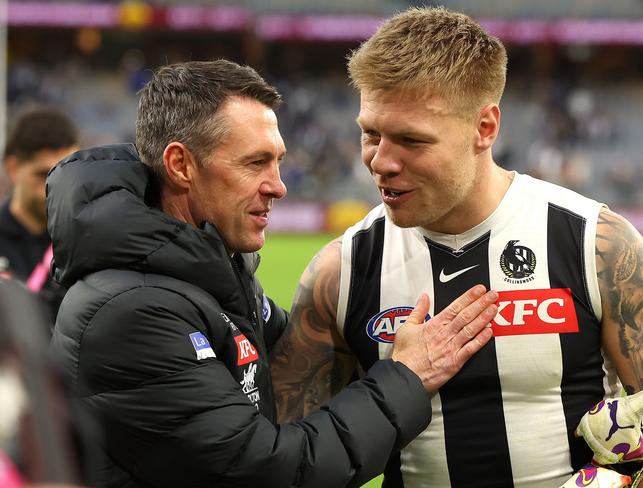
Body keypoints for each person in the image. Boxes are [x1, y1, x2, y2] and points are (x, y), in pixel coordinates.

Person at [46, 59, 499, 488]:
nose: (278, 185)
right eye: (255, 163)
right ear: (181, 165)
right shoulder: (131, 313)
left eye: (278, 161)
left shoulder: (209, 271)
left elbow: (295, 355)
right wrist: (407, 376)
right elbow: (274, 473)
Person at [269, 6, 643, 488]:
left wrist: (628, 480)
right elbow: (290, 462)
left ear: (484, 128)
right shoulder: (339, 273)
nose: (380, 162)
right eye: (370, 133)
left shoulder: (595, 245)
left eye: (411, 139)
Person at [0, 107, 79, 323]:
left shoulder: (87, 243)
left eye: (66, 172)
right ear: (13, 167)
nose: (56, 186)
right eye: (44, 174)